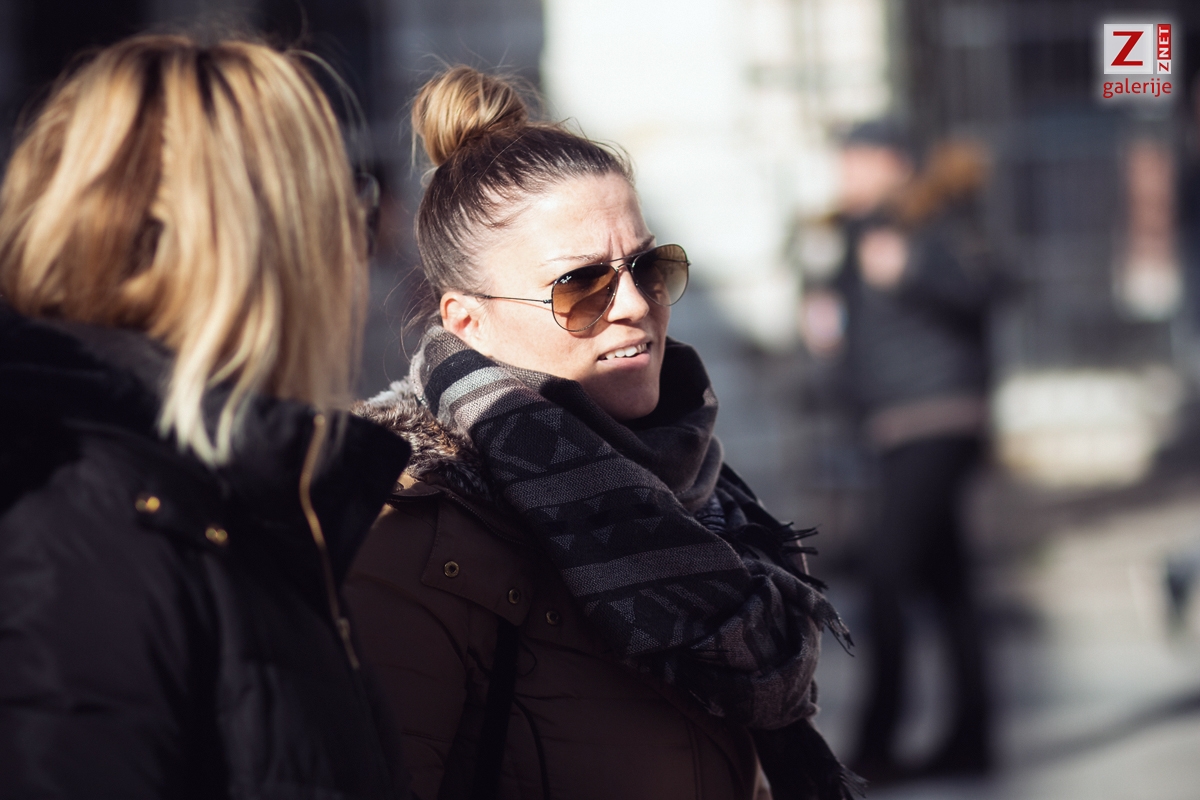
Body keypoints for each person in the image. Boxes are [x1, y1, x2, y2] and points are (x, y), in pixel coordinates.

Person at [344, 67, 861, 800]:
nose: (634, 305)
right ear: (467, 320)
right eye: (581, 284)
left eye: (648, 267)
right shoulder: (410, 531)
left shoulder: (696, 497)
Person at [0, 35, 412, 797]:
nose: (358, 250)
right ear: (266, 247)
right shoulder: (87, 521)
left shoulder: (221, 492)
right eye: (348, 205)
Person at [805, 122, 994, 782]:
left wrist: (913, 271)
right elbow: (848, 327)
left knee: (886, 573)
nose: (845, 175)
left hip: (937, 417)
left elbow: (987, 287)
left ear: (893, 164)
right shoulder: (855, 232)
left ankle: (878, 741)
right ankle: (972, 740)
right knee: (947, 582)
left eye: (856, 161)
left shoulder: (930, 220)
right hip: (894, 425)